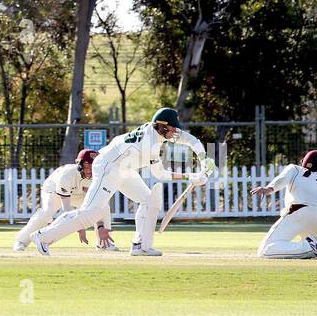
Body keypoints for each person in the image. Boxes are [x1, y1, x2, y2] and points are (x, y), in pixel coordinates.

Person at [32, 108, 211, 257]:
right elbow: (160, 174)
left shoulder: (158, 132)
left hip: (124, 168)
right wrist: (191, 176)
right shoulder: (150, 144)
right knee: (90, 213)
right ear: (162, 127)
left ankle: (141, 245)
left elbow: (191, 140)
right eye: (172, 129)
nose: (175, 133)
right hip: (108, 167)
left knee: (149, 201)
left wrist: (204, 161)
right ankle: (43, 236)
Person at [13, 149, 114, 252]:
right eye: (87, 166)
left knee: (104, 207)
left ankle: (104, 244)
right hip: (53, 191)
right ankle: (21, 241)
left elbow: (98, 205)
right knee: (47, 213)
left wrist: (100, 226)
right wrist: (80, 228)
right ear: (79, 164)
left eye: (92, 166)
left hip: (79, 194)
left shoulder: (100, 177)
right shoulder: (67, 175)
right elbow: (67, 209)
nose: (89, 171)